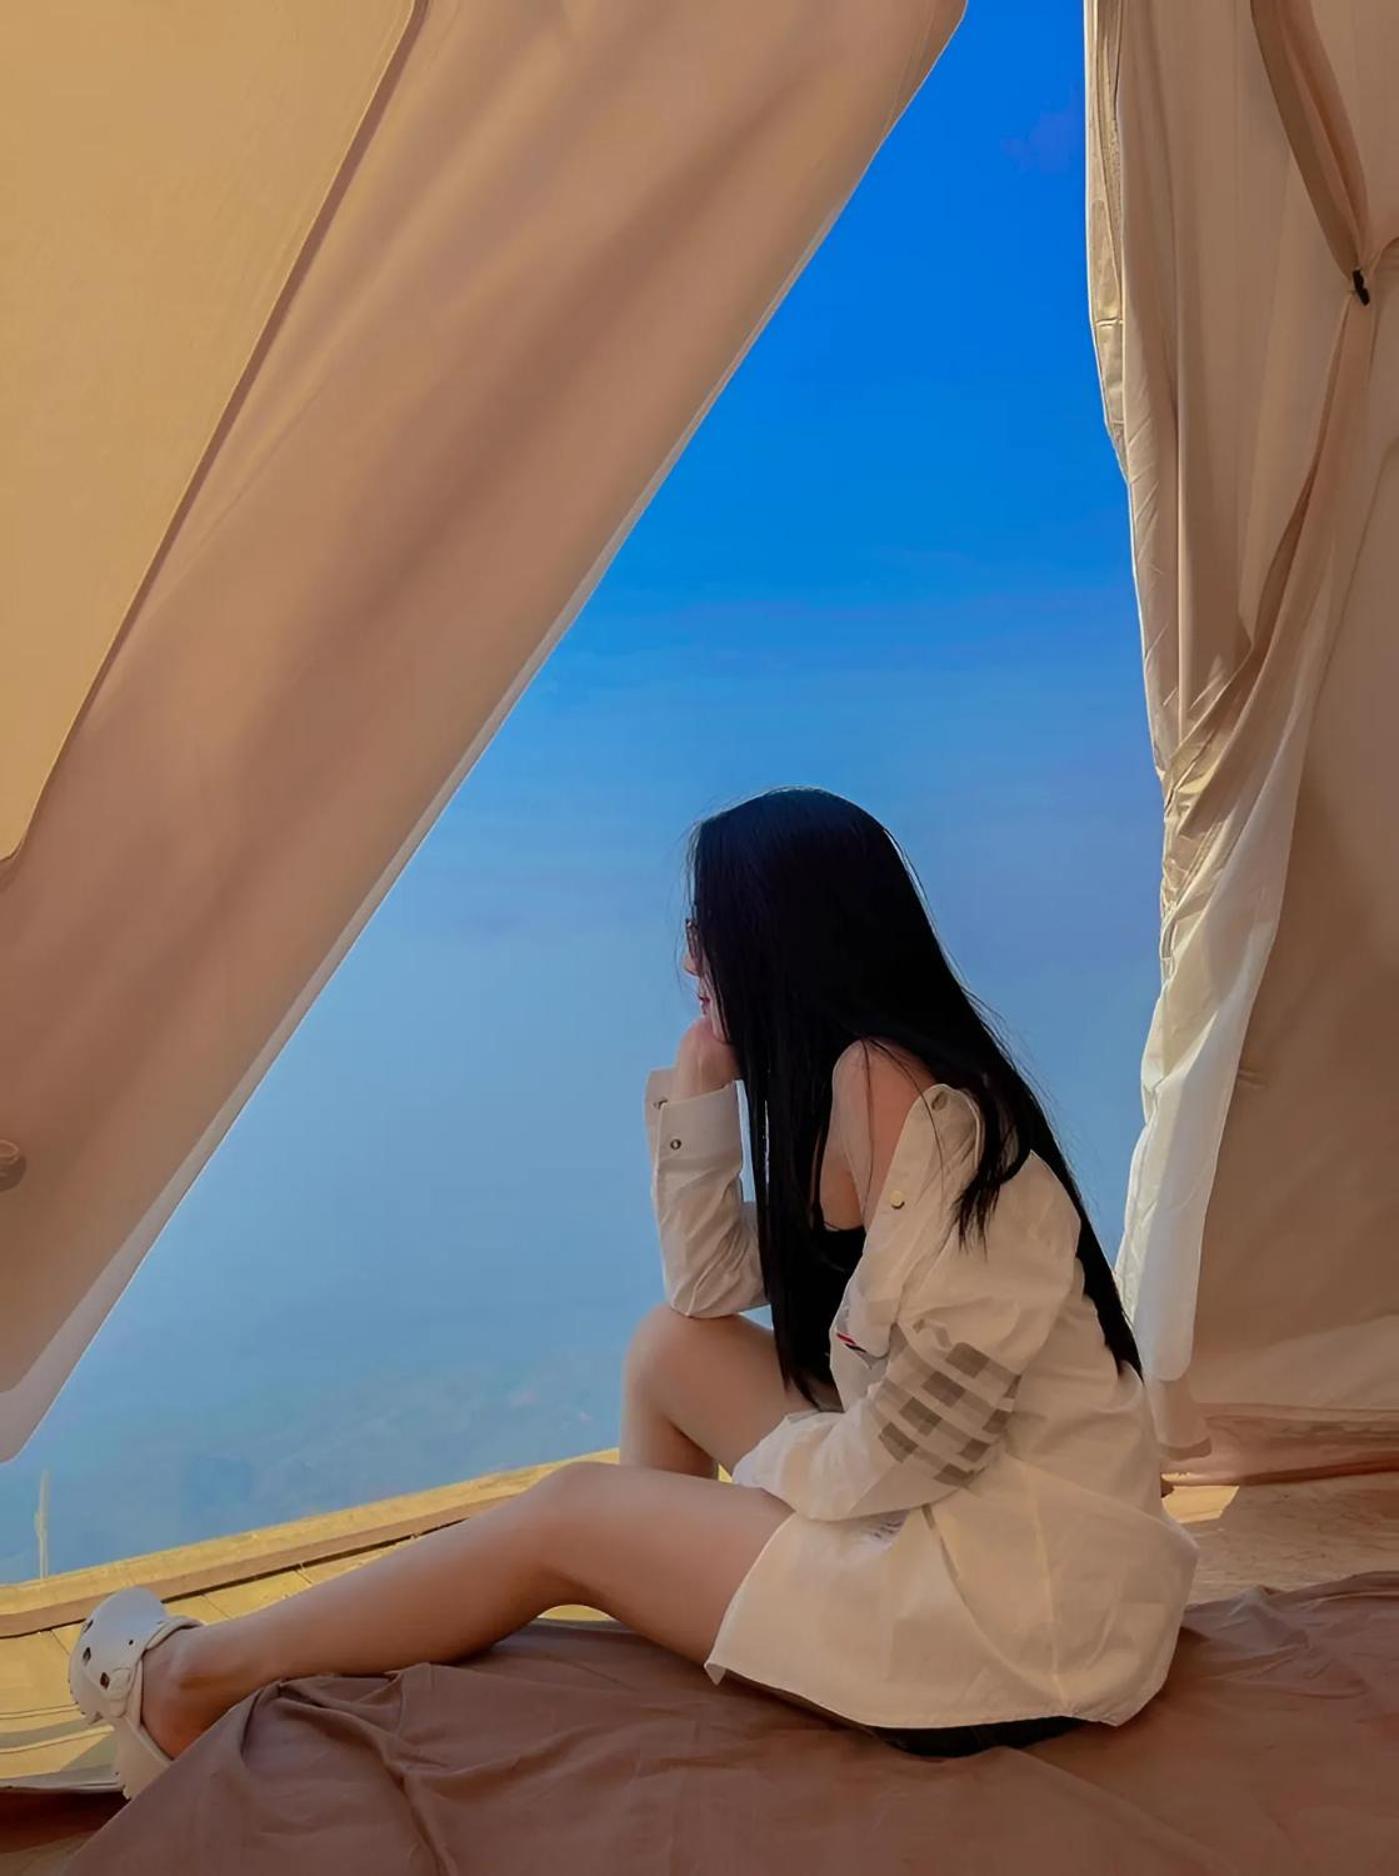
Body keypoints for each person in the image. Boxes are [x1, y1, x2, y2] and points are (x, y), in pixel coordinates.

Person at [69, 786, 1197, 1795]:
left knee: (568, 1513)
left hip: (1011, 1628)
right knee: (669, 1345)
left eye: (707, 929)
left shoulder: (900, 1095)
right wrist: (701, 1090)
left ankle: (191, 1680)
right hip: (999, 1551)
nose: (690, 957)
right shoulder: (863, 1084)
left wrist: (762, 1479)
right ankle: (698, 1614)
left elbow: (913, 1453)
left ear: (778, 939)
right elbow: (705, 1290)